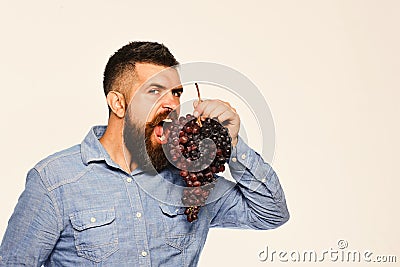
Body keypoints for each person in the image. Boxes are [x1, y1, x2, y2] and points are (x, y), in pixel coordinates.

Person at [0, 41, 289, 266]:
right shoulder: (54, 182)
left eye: (176, 92)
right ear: (118, 103)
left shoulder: (192, 177)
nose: (172, 104)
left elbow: (271, 213)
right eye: (155, 91)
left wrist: (232, 143)